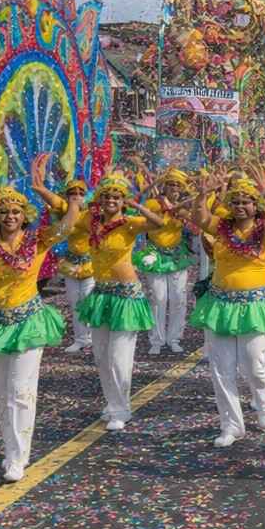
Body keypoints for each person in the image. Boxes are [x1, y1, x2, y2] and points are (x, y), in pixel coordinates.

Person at [0, 155, 81, 483]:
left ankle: (17, 457)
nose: (10, 216)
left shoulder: (38, 240)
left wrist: (51, 193)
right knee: (0, 394)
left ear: (23, 215)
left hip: (28, 321)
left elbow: (68, 226)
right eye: (4, 211)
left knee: (20, 390)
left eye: (15, 211)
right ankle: (13, 450)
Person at [184, 173, 265, 447]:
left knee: (255, 365)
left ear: (256, 206)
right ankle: (231, 426)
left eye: (246, 202)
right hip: (220, 305)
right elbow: (199, 218)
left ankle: (263, 400)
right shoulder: (220, 227)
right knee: (221, 369)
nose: (240, 206)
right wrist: (203, 194)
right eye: (236, 202)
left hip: (255, 306)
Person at [76, 174, 172, 431]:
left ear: (122, 201)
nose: (110, 200)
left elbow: (159, 223)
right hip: (100, 295)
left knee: (119, 358)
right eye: (106, 196)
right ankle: (113, 403)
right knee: (101, 356)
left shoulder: (128, 223)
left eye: (116, 197)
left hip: (126, 295)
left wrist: (137, 205)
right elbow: (69, 215)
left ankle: (122, 409)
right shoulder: (91, 221)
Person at [29, 176, 95, 355]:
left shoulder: (92, 211)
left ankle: (94, 338)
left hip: (91, 263)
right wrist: (40, 188)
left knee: (89, 301)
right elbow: (53, 200)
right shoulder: (67, 209)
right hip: (72, 263)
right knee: (75, 302)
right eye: (72, 193)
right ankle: (80, 339)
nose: (77, 196)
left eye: (81, 193)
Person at [136, 168, 194, 356]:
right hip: (155, 255)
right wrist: (151, 186)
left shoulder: (185, 207)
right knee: (158, 298)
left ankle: (174, 338)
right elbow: (141, 210)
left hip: (177, 256)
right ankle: (157, 340)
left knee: (178, 298)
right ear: (165, 186)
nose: (174, 187)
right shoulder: (153, 203)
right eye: (171, 183)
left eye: (178, 185)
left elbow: (195, 224)